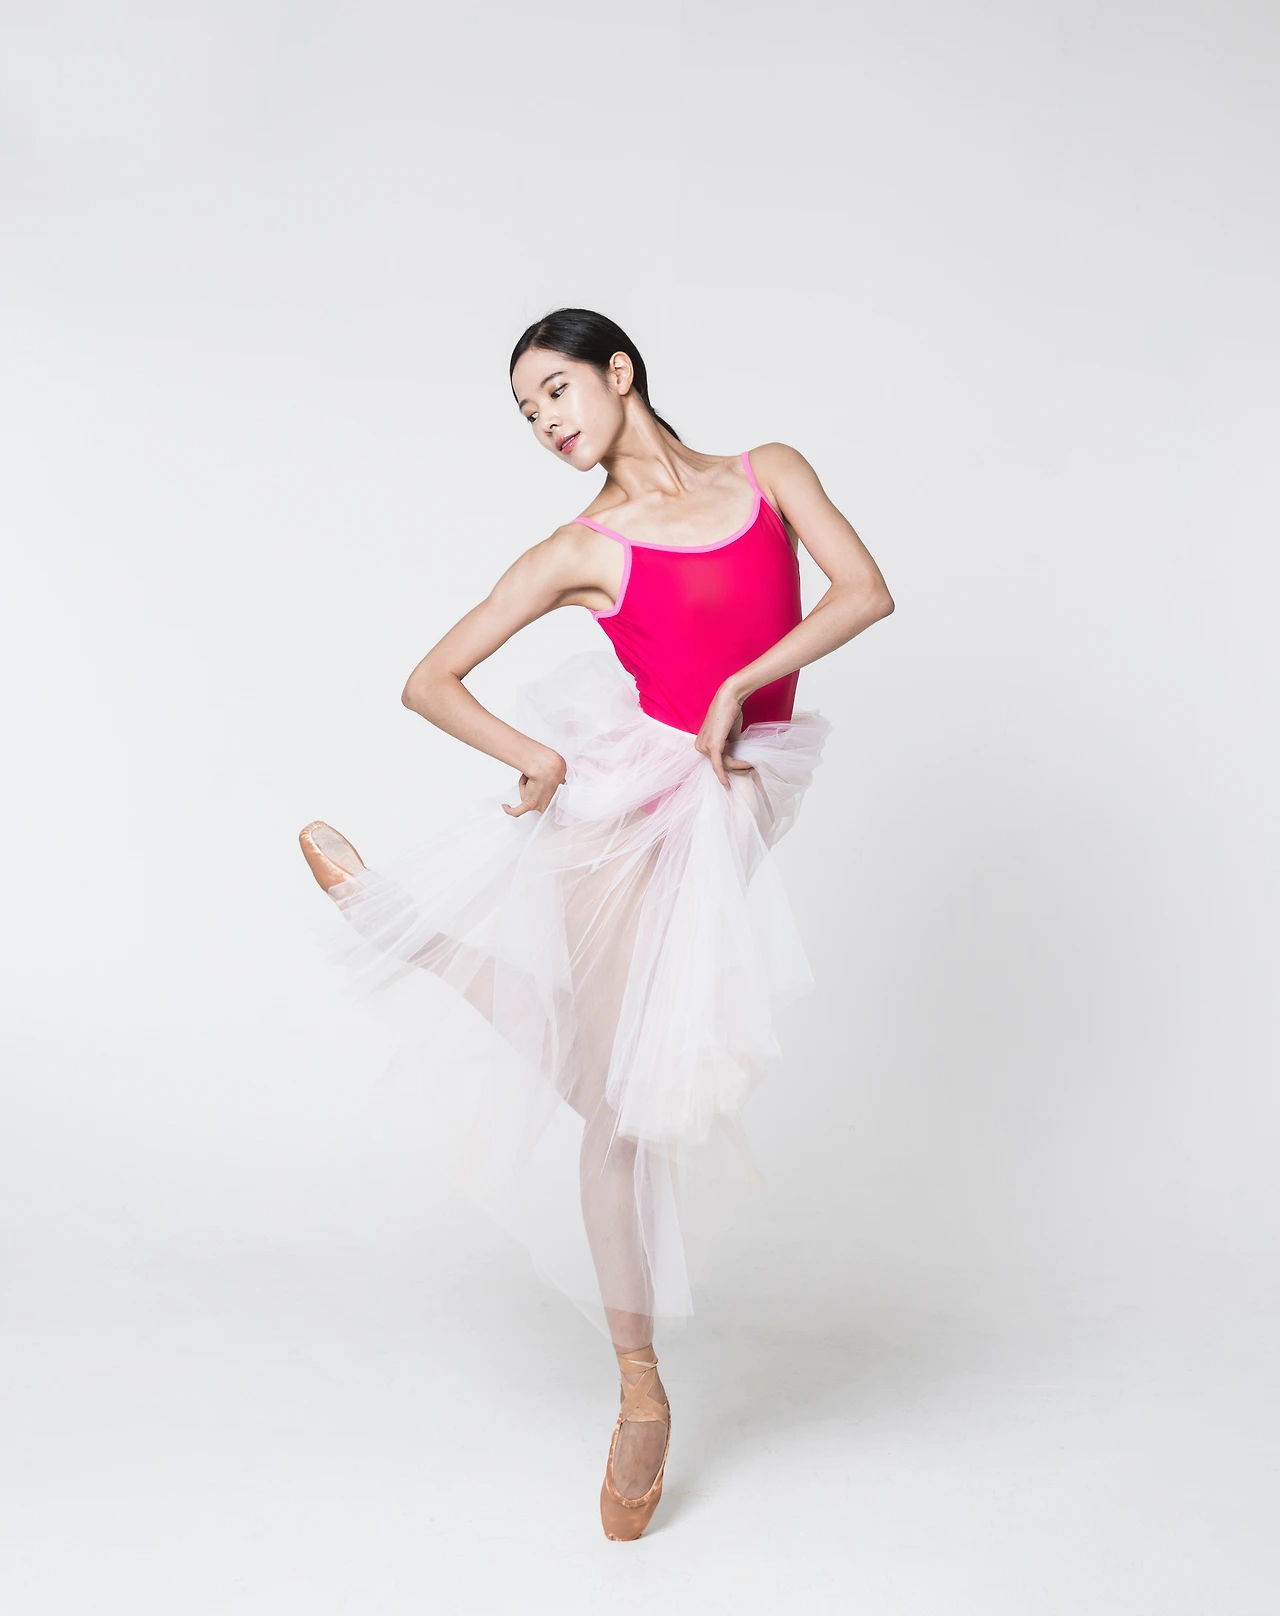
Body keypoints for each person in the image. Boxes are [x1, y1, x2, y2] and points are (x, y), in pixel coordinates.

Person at [298, 307, 894, 1539]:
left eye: (556, 391)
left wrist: (739, 684)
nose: (545, 422)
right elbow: (428, 680)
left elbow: (864, 592)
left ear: (618, 371)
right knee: (616, 1108)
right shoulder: (578, 547)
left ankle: (407, 928)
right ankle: (638, 1385)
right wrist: (534, 757)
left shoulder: (766, 474)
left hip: (729, 784)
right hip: (620, 802)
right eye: (526, 412)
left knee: (618, 1079)